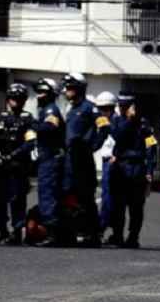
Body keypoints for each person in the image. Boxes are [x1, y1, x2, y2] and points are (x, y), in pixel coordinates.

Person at [108, 95, 152, 249]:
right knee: (117, 206)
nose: (122, 109)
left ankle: (133, 237)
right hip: (121, 167)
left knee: (136, 207)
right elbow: (118, 137)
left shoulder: (143, 124)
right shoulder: (117, 121)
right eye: (120, 106)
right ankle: (117, 235)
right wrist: (129, 120)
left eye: (125, 106)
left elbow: (150, 146)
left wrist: (150, 170)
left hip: (137, 168)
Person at [0, 82, 33, 245]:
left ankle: (16, 233)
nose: (16, 101)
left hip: (18, 166)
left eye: (19, 98)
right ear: (8, 100)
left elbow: (30, 142)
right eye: (13, 98)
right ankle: (1, 231)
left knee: (17, 200)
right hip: (0, 167)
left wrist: (14, 155)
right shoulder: (0, 118)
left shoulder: (28, 119)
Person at [61, 72, 99, 247]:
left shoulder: (89, 108)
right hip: (69, 158)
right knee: (69, 195)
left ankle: (92, 235)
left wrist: (91, 146)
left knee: (85, 197)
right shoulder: (71, 109)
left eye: (69, 87)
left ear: (79, 89)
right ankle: (73, 232)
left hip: (83, 160)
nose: (66, 90)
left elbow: (104, 128)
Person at [32, 78, 65, 247]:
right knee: (46, 194)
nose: (39, 95)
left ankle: (52, 234)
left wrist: (33, 125)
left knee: (48, 195)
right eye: (38, 92)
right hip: (45, 158)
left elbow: (50, 128)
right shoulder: (44, 110)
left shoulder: (51, 110)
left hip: (50, 159)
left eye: (43, 92)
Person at [92, 90, 120, 243]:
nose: (104, 112)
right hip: (104, 161)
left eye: (106, 108)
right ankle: (112, 231)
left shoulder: (116, 122)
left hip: (113, 162)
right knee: (108, 198)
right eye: (101, 109)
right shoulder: (102, 122)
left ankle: (103, 228)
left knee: (110, 198)